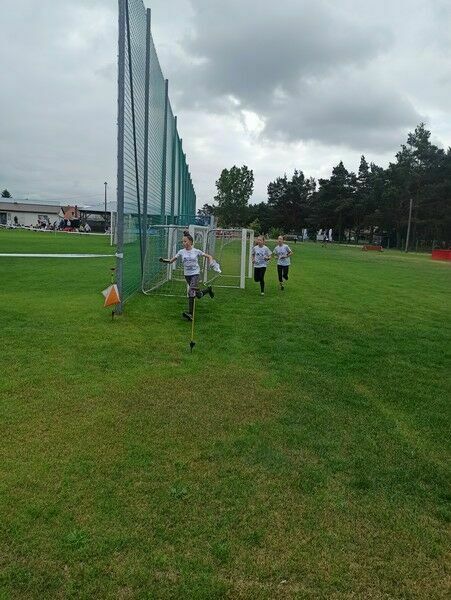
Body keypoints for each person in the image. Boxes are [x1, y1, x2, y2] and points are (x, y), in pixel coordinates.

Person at [159, 232, 215, 321]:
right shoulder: (181, 252)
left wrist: (211, 262)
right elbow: (171, 261)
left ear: (191, 242)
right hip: (187, 275)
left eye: (185, 241)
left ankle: (190, 314)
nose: (183, 243)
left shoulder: (196, 251)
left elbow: (209, 256)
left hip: (195, 274)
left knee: (191, 291)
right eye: (183, 242)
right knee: (198, 295)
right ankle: (208, 290)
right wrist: (163, 261)